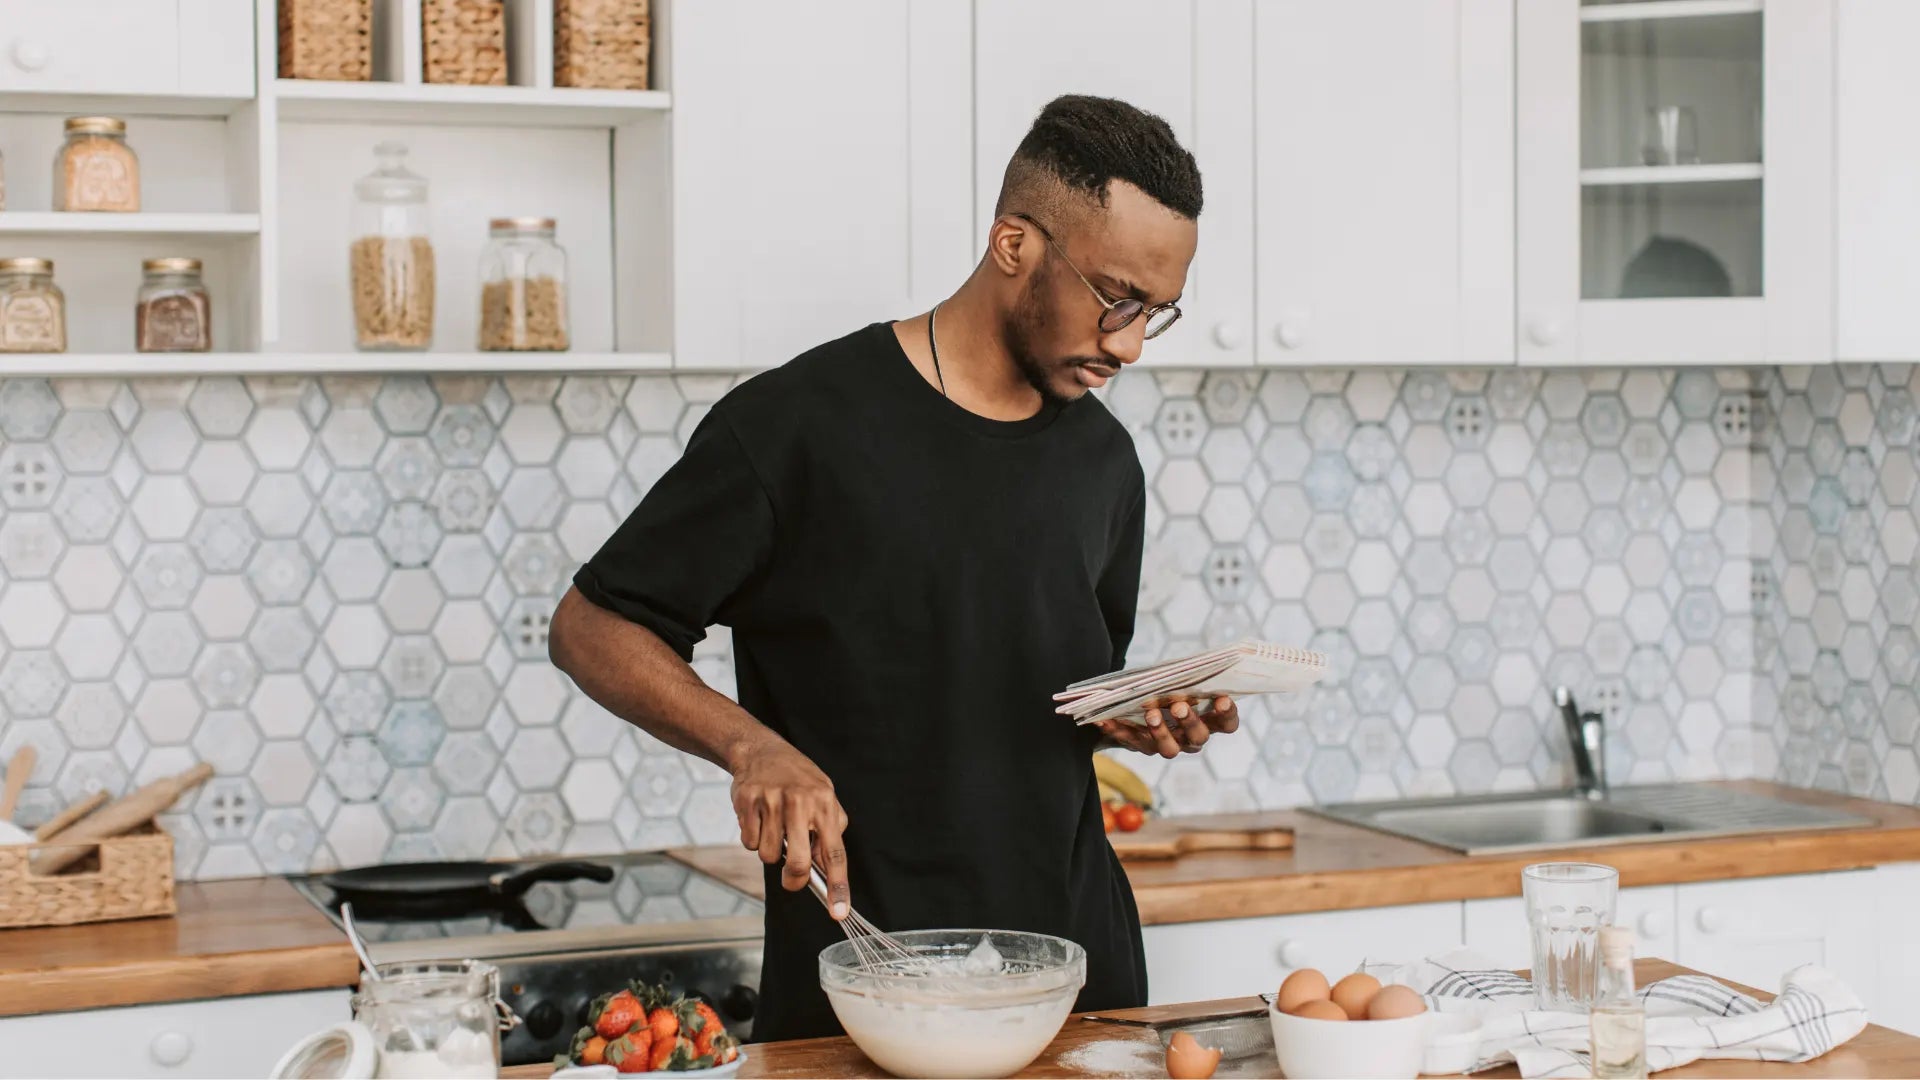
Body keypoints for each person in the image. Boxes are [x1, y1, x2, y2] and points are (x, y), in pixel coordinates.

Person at [548, 94, 1240, 1042]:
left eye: (1155, 313)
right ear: (1014, 246)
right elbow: (592, 624)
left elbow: (1031, 692)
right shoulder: (796, 429)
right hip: (867, 986)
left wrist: (1128, 713)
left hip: (1079, 981)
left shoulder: (1105, 463)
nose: (1126, 343)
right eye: (1115, 298)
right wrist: (752, 747)